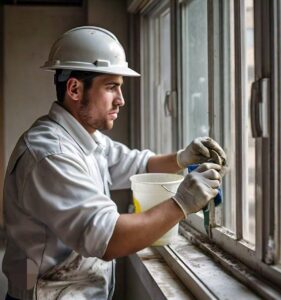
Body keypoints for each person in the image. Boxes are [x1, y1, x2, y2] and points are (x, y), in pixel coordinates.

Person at [2, 26, 226, 300]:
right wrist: (182, 203)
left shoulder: (83, 138)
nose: (121, 100)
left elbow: (137, 165)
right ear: (74, 88)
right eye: (111, 87)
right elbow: (109, 239)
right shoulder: (51, 155)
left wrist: (182, 157)